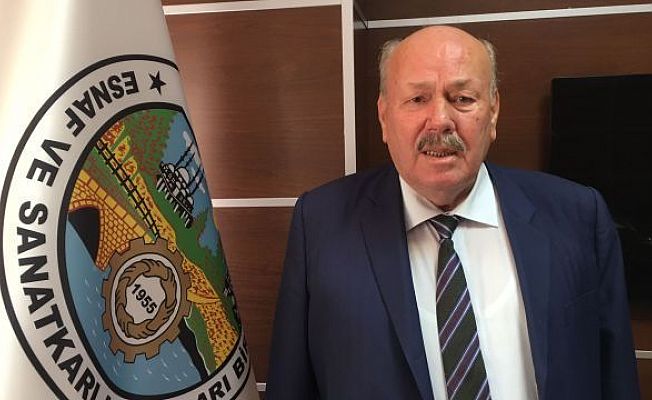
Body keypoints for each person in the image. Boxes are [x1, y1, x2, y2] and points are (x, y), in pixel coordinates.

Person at [265, 25, 640, 400]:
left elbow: (616, 378)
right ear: (383, 116)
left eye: (462, 98)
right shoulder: (321, 225)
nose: (440, 120)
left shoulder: (577, 216)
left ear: (493, 112)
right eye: (417, 99)